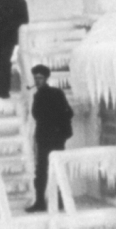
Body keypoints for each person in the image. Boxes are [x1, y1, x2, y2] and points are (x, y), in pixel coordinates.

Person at [28, 64, 72, 214]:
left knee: (52, 170)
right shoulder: (38, 95)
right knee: (41, 171)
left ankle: (58, 201)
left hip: (53, 138)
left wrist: (59, 130)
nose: (37, 80)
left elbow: (68, 112)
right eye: (35, 78)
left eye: (40, 78)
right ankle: (40, 201)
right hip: (45, 138)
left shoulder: (55, 93)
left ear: (46, 78)